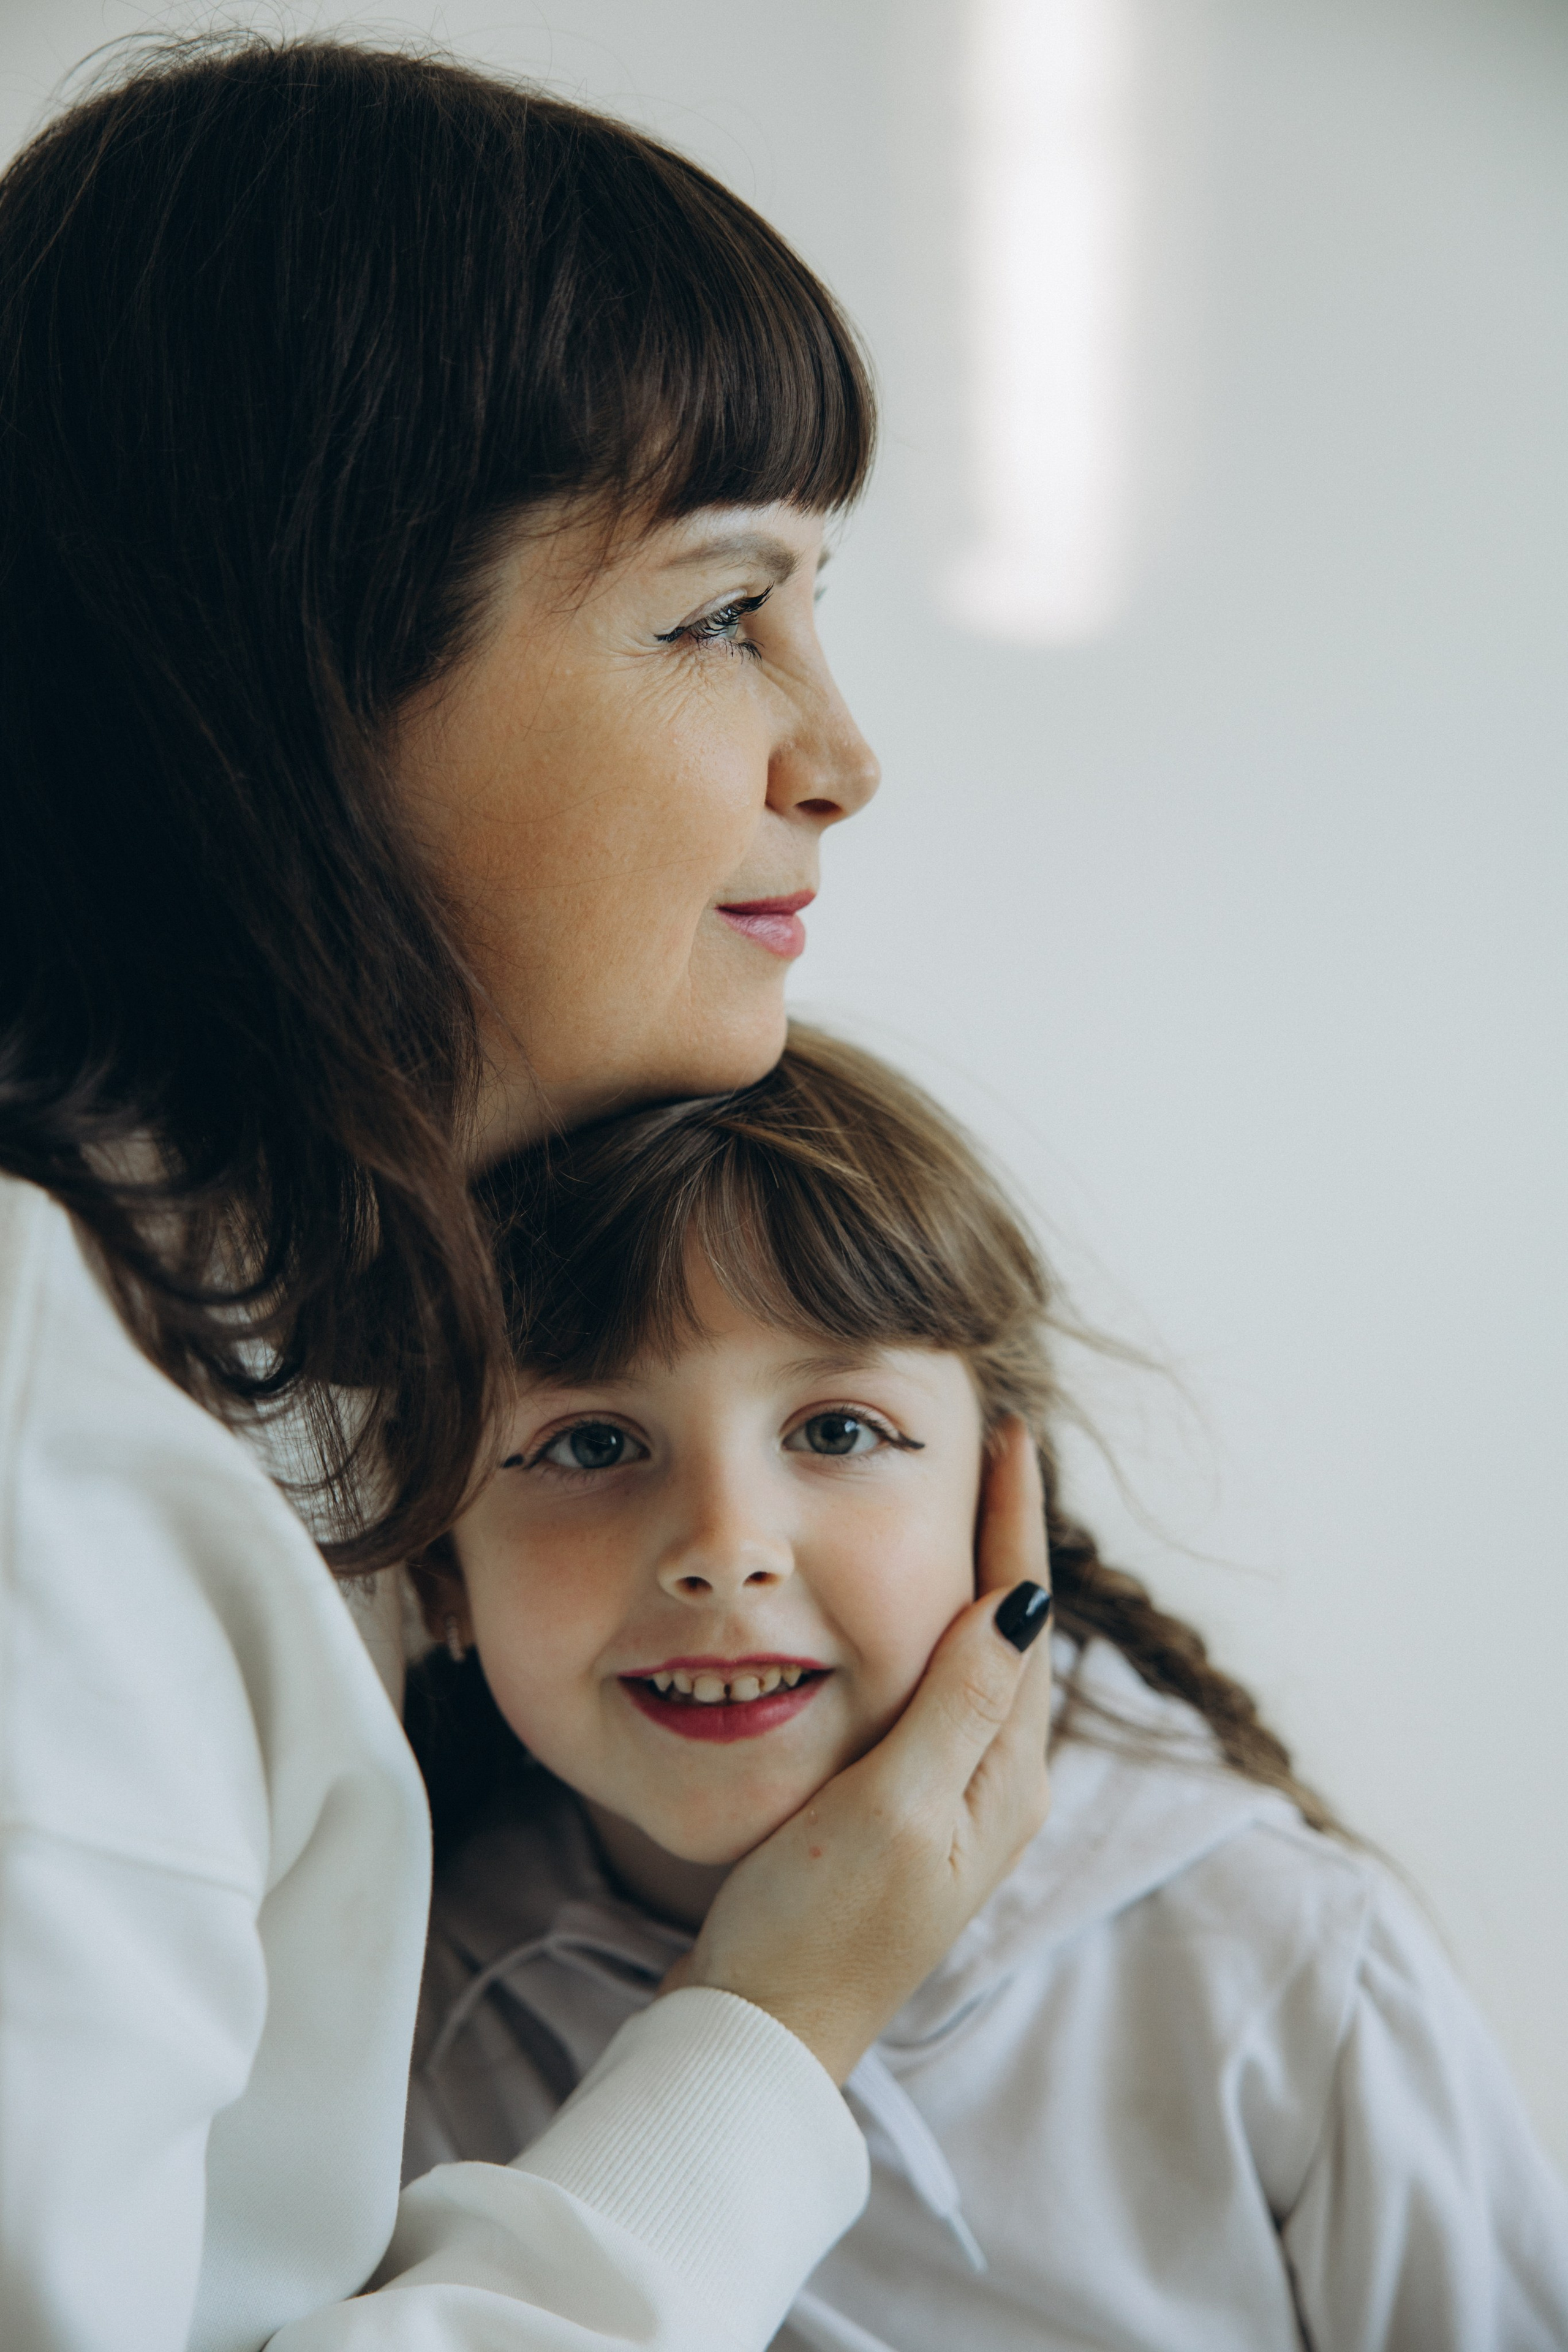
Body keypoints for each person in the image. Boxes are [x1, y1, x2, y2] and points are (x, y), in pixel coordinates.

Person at [0, 40, 1056, 2352]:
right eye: (720, 614)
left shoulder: (227, 1373)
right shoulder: (44, 1476)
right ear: (291, 676)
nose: (841, 755)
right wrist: (771, 2031)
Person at [403, 1028, 1568, 2352]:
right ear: (441, 1567)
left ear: (1001, 1499)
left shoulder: (1274, 1952)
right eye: (589, 1443)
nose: (725, 1548)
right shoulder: (401, 2013)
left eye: (837, 1430)